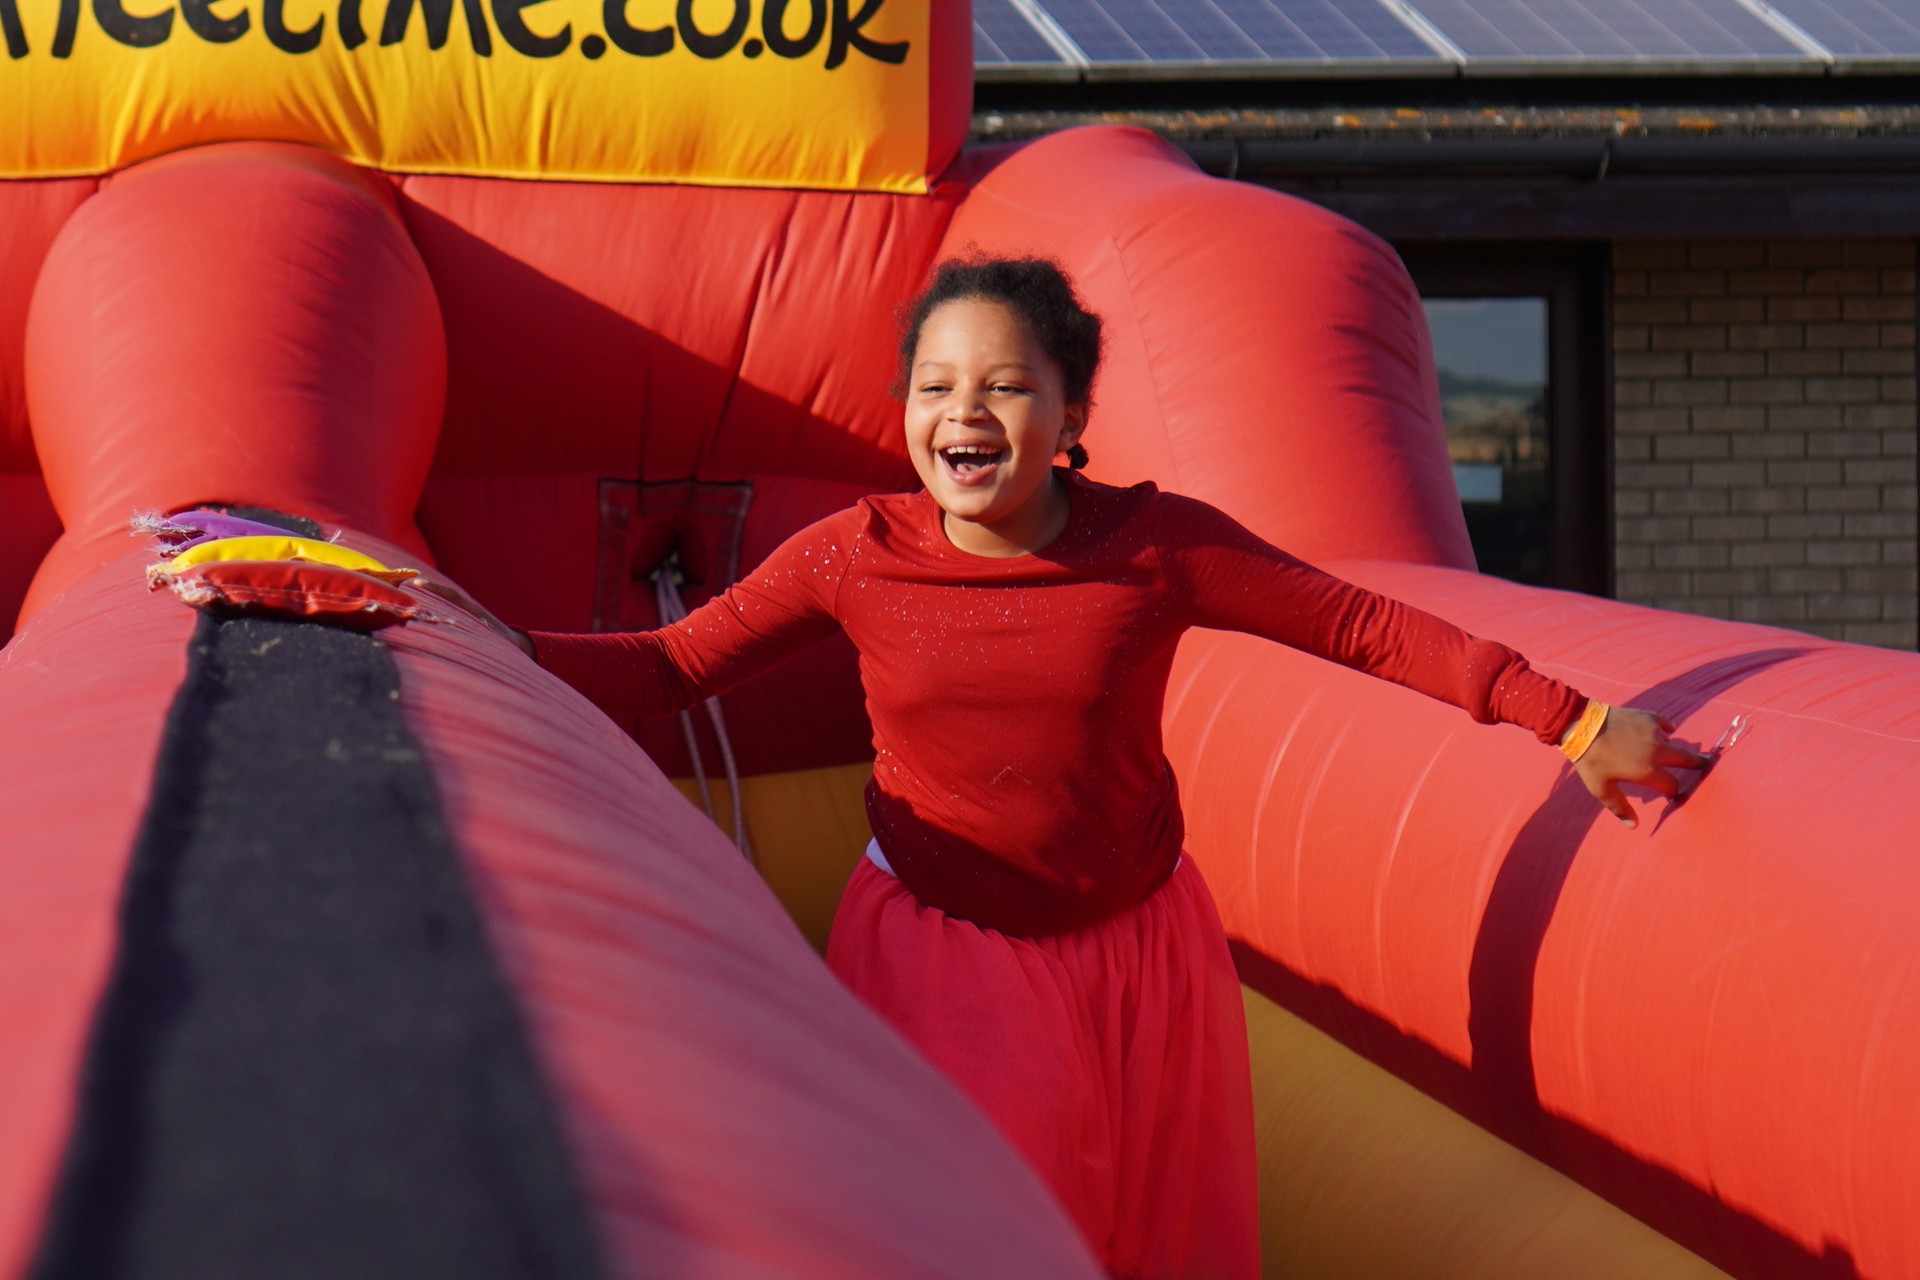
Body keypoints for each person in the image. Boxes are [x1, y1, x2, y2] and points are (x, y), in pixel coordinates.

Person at [424, 257, 1708, 1279]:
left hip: (1143, 945)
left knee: (1162, 1239)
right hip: (947, 943)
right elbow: (664, 669)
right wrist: (463, 630)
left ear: (1071, 416)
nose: (962, 414)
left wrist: (1579, 725)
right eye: (934, 386)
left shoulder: (1155, 547)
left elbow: (1362, 624)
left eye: (1005, 385)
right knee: (983, 1235)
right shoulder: (854, 554)